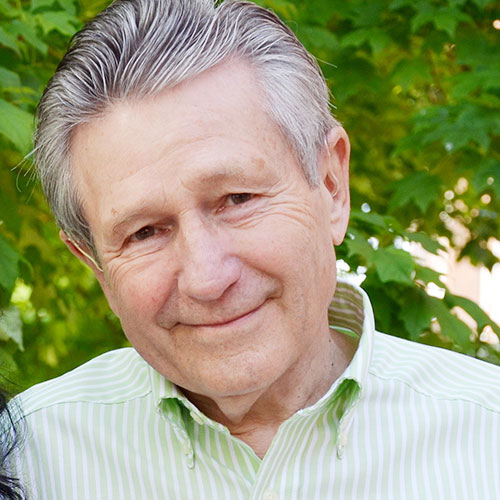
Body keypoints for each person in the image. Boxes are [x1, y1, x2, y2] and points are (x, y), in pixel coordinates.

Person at [11, 0, 500, 498]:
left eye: (237, 199)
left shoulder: (488, 437)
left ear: (331, 184)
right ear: (94, 265)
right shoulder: (24, 461)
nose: (207, 277)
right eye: (145, 232)